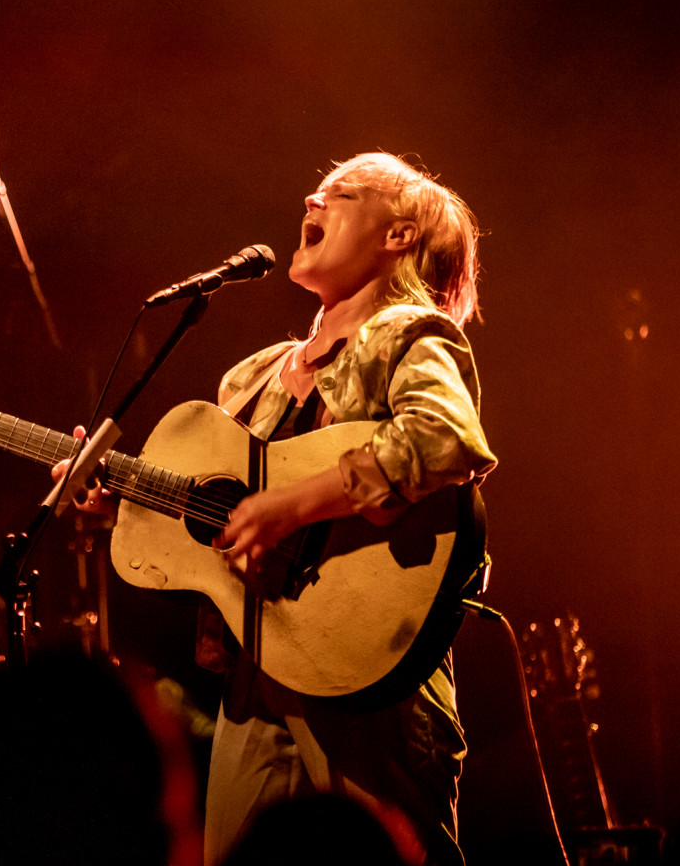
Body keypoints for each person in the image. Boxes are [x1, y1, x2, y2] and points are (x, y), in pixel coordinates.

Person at [63, 153, 495, 866]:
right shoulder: (254, 376)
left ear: (398, 237)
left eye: (341, 192)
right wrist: (117, 494)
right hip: (256, 670)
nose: (310, 197)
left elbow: (447, 438)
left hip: (371, 669)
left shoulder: (408, 335)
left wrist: (292, 505)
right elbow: (218, 524)